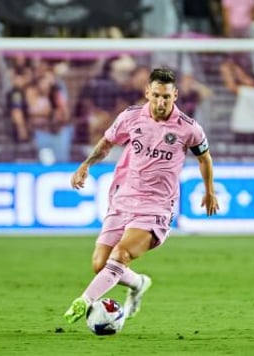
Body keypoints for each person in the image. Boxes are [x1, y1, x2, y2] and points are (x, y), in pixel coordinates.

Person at [64, 68, 219, 323]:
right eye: (156, 95)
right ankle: (138, 283)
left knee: (121, 255)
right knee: (100, 264)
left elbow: (204, 158)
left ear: (175, 95)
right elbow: (106, 143)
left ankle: (85, 300)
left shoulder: (189, 128)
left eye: (166, 97)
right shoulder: (131, 117)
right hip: (123, 198)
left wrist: (209, 191)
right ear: (147, 92)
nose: (161, 102)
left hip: (156, 207)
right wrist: (85, 165)